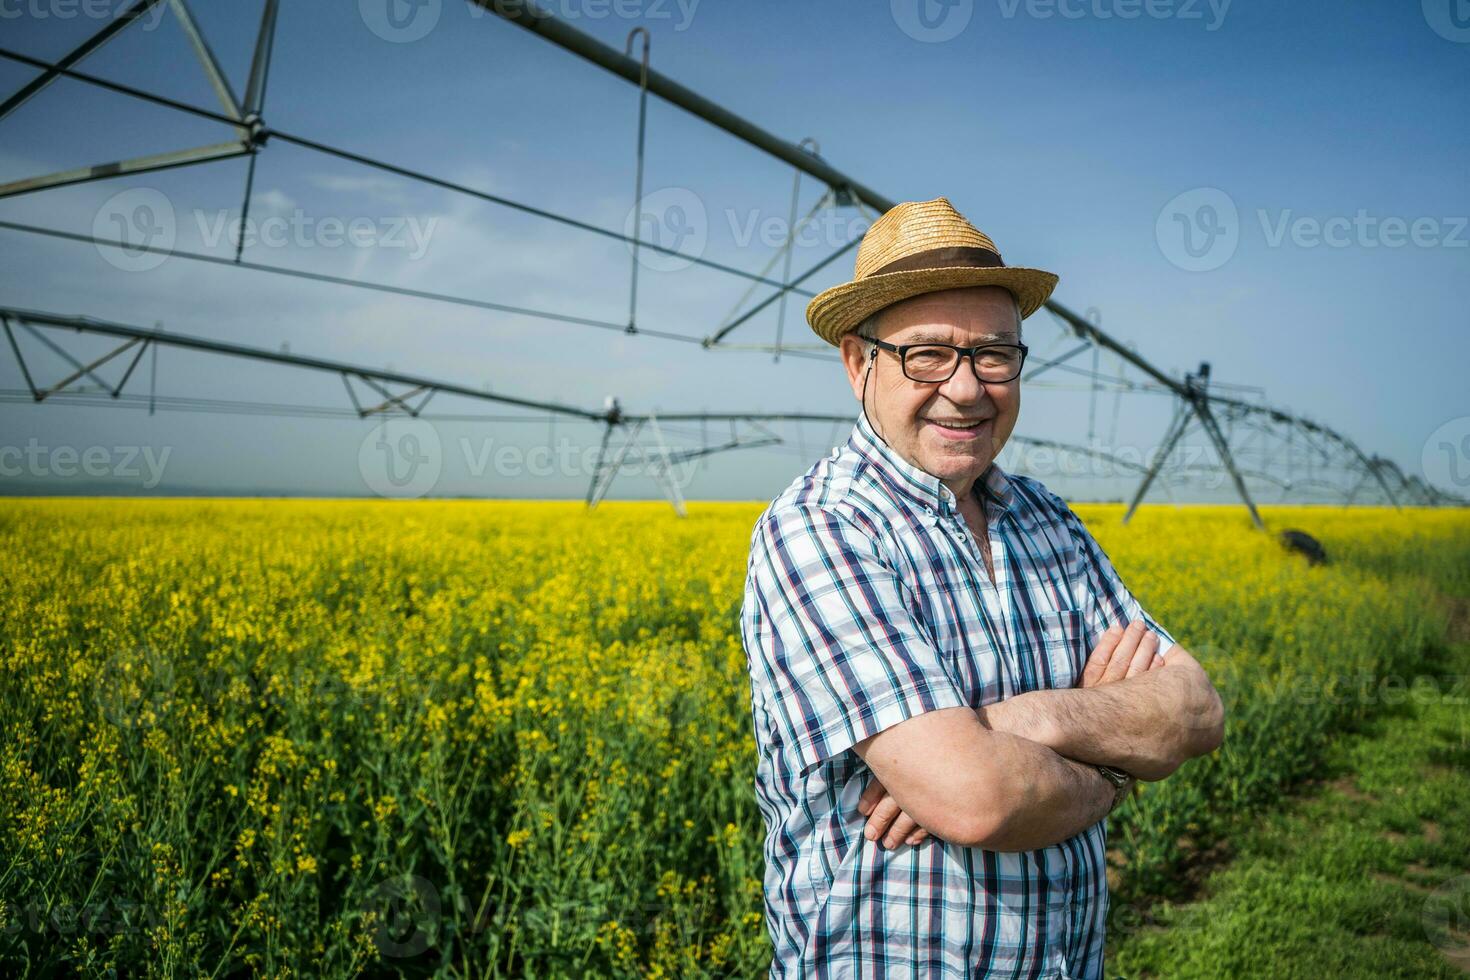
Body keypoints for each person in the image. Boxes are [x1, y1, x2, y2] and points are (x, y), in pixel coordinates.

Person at [739, 197, 1225, 978]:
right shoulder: (822, 530)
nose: (967, 389)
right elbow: (977, 800)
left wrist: (1021, 721)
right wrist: (1118, 763)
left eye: (996, 354)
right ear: (859, 363)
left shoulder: (1050, 524)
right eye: (927, 354)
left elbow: (1196, 709)